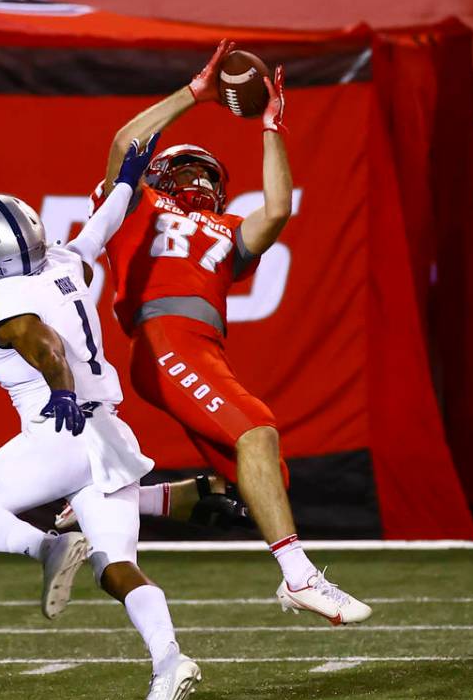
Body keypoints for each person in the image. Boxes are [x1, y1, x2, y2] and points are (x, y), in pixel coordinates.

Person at [94, 41, 370, 625]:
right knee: (258, 431)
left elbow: (276, 211)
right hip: (164, 338)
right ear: (163, 174)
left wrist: (272, 127)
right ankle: (300, 577)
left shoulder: (225, 227)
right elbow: (125, 145)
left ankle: (104, 501)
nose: (198, 180)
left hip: (202, 348)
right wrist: (194, 95)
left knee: (258, 483)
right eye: (187, 169)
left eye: (208, 174)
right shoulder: (136, 206)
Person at [0, 138, 202, 700]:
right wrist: (130, 181)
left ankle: (47, 547)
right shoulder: (67, 264)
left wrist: (60, 388)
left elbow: (45, 346)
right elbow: (103, 223)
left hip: (59, 430)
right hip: (109, 435)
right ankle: (169, 661)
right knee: (117, 567)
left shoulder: (1, 294)